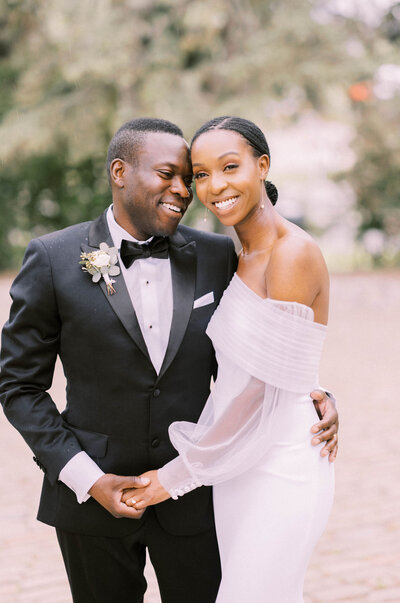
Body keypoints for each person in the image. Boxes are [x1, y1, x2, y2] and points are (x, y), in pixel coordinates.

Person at [0, 117, 338, 603]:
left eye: (190, 177)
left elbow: (261, 359)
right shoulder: (52, 259)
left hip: (200, 497)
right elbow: (18, 388)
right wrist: (86, 478)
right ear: (120, 172)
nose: (184, 190)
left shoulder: (219, 255)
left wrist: (313, 395)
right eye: (171, 174)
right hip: (91, 500)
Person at [122, 116, 336, 602]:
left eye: (230, 167)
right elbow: (277, 358)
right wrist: (321, 391)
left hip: (280, 461)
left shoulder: (291, 254)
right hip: (237, 462)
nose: (215, 185)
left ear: (262, 167)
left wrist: (173, 479)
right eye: (200, 174)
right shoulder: (237, 254)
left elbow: (267, 386)